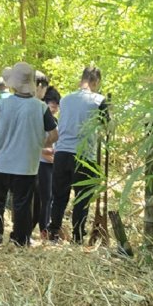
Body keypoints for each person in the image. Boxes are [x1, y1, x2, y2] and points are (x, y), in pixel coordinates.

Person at [0, 63, 58, 247]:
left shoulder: (2, 104)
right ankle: (20, 239)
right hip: (25, 166)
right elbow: (54, 135)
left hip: (0, 164)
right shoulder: (40, 108)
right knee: (22, 205)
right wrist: (38, 144)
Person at [48, 66, 107, 244]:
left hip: (62, 153)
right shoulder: (99, 100)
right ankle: (77, 237)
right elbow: (107, 127)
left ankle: (53, 233)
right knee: (81, 198)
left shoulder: (65, 100)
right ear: (96, 82)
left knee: (59, 196)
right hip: (84, 156)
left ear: (81, 80)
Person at [33, 73, 61, 239]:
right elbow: (33, 143)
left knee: (49, 197)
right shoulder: (39, 117)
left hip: (52, 164)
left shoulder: (55, 121)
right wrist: (47, 151)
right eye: (51, 103)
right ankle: (43, 228)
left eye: (56, 104)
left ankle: (46, 227)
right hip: (41, 163)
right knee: (42, 198)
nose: (54, 107)